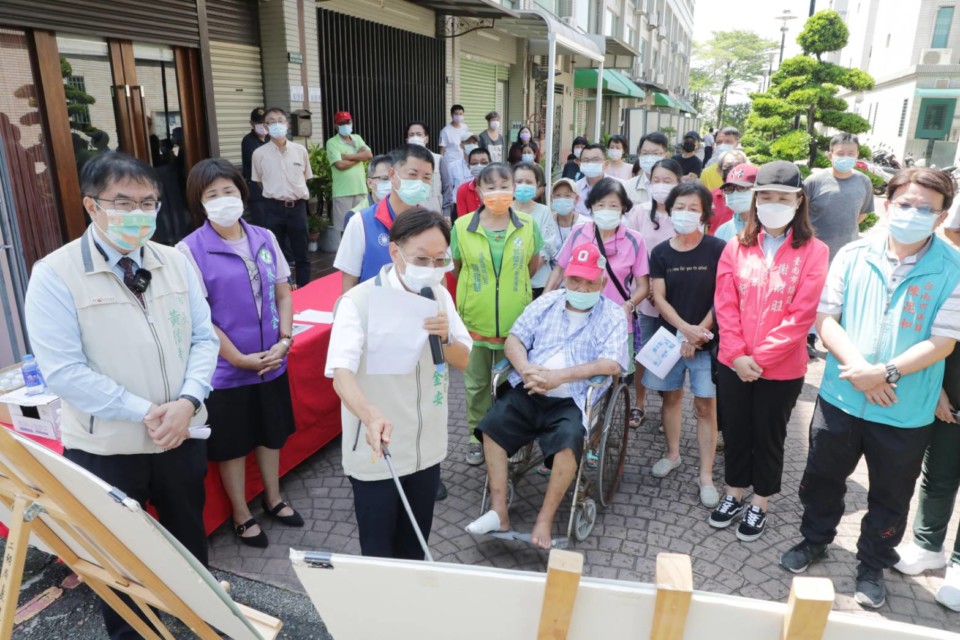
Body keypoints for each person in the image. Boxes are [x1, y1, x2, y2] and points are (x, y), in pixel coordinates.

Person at [24, 153, 219, 639]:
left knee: (188, 551)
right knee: (120, 565)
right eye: (123, 202)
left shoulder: (173, 261)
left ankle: (199, 623)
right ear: (92, 206)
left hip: (181, 437)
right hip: (105, 450)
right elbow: (64, 371)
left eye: (148, 202)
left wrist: (188, 402)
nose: (139, 213)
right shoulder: (55, 274)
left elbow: (203, 338)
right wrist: (149, 412)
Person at [779, 168, 960, 610]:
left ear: (941, 218)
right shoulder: (854, 254)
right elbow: (826, 318)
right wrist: (861, 369)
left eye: (925, 208)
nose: (912, 213)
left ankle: (872, 565)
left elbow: (943, 340)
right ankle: (815, 540)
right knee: (822, 477)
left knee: (891, 494)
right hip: (843, 395)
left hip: (904, 407)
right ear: (885, 203)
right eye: (904, 204)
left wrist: (886, 374)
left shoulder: (953, 268)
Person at [327, 208, 472, 559]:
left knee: (414, 549)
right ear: (396, 252)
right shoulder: (357, 302)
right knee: (378, 553)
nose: (433, 267)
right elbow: (340, 374)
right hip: (380, 450)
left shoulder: (438, 295)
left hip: (427, 448)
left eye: (440, 259)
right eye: (422, 258)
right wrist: (369, 414)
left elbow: (463, 359)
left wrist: (447, 337)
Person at [465, 243, 628, 549]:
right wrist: (526, 370)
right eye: (575, 280)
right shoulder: (547, 302)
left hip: (573, 398)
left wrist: (558, 378)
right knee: (492, 427)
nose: (581, 287)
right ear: (566, 278)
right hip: (530, 387)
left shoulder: (613, 315)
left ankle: (545, 520)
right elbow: (515, 339)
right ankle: (499, 510)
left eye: (590, 282)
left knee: (568, 441)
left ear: (603, 283)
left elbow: (612, 363)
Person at [178, 158, 302, 548]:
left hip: (272, 362)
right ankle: (240, 513)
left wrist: (284, 340)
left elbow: (284, 291)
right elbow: (202, 319)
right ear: (200, 203)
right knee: (231, 446)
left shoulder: (264, 236)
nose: (223, 199)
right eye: (212, 194)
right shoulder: (189, 250)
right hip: (227, 371)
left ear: (242, 193)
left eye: (228, 190)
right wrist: (236, 358)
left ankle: (273, 497)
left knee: (271, 436)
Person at [710, 160, 829, 542]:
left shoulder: (815, 251)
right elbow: (725, 305)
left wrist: (759, 359)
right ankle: (734, 493)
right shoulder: (735, 246)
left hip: (781, 368)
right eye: (766, 197)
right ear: (755, 201)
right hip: (734, 361)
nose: (773, 204)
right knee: (737, 430)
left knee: (769, 435)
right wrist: (738, 354)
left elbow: (802, 314)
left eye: (783, 197)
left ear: (798, 202)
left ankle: (760, 502)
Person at [452, 163, 543, 466]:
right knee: (476, 384)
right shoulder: (462, 226)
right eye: (490, 186)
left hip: (515, 321)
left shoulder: (528, 224)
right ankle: (475, 437)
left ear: (514, 189)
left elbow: (533, 263)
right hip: (475, 321)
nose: (498, 192)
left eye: (505, 185)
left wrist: (512, 291)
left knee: (511, 385)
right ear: (477, 190)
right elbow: (457, 267)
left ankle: (510, 438)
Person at [643, 182, 726, 508]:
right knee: (671, 398)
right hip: (671, 339)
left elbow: (723, 298)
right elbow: (658, 297)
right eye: (681, 207)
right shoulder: (660, 252)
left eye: (694, 208)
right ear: (669, 209)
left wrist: (698, 333)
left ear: (705, 213)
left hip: (706, 341)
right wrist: (684, 331)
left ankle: (705, 475)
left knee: (706, 406)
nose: (686, 213)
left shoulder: (718, 248)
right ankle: (673, 454)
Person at [546, 179, 649, 424]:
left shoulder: (635, 240)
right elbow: (559, 270)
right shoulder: (579, 233)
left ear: (624, 208)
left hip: (614, 320)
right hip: (575, 315)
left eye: (613, 205)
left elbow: (644, 286)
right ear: (591, 206)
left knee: (608, 380)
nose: (607, 210)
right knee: (574, 371)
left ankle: (598, 431)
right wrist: (545, 299)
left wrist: (628, 306)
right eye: (601, 204)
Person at [892, 344, 960, 611]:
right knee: (937, 477)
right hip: (949, 404)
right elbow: (937, 339)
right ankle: (927, 545)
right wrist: (938, 391)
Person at [625, 158, 682, 427]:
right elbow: (632, 253)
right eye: (656, 180)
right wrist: (646, 287)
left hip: (677, 301)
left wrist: (663, 289)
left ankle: (668, 409)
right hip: (644, 297)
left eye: (667, 180)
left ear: (679, 183)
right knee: (643, 353)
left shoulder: (684, 213)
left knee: (671, 354)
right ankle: (639, 403)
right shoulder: (638, 212)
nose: (661, 186)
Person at [335, 144, 436, 293]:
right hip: (373, 312)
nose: (419, 182)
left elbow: (439, 280)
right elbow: (348, 285)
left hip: (418, 312)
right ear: (392, 174)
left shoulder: (432, 225)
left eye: (426, 177)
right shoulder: (360, 222)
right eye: (413, 174)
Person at [252, 108, 314, 287]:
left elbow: (306, 177)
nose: (277, 124)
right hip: (273, 208)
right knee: (276, 254)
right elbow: (259, 182)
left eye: (280, 120)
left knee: (302, 254)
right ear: (265, 126)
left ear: (287, 124)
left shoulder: (300, 150)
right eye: (271, 121)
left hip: (298, 208)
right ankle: (284, 289)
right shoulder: (259, 154)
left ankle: (305, 289)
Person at [805, 133, 874, 263]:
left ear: (857, 155)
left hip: (848, 252)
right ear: (830, 155)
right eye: (840, 154)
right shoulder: (814, 181)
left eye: (851, 154)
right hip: (814, 251)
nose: (846, 157)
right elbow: (800, 214)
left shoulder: (864, 181)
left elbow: (862, 214)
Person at [513, 161, 560, 299]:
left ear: (537, 185)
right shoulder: (504, 210)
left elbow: (547, 247)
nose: (523, 185)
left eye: (529, 182)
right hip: (508, 282)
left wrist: (525, 273)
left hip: (537, 283)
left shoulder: (544, 211)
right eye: (519, 181)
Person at [326, 110, 374, 235]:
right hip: (343, 192)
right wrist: (359, 157)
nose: (345, 125)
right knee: (345, 228)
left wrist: (347, 156)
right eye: (341, 123)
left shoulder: (357, 138)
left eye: (348, 122)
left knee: (363, 225)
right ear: (336, 126)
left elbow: (369, 154)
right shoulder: (332, 142)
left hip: (361, 189)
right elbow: (340, 165)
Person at [406, 120, 452, 217]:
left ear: (426, 139)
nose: (415, 137)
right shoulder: (402, 162)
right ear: (407, 140)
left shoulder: (439, 159)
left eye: (419, 134)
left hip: (435, 214)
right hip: (410, 216)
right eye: (411, 135)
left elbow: (447, 189)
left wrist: (446, 215)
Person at [573, 143, 627, 217]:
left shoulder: (621, 186)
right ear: (580, 164)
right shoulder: (574, 189)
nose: (590, 163)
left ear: (606, 164)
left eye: (596, 160)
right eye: (586, 160)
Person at [343, 153, 393, 229]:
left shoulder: (406, 211)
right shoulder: (355, 216)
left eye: (394, 178)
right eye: (385, 179)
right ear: (370, 183)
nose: (391, 183)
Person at [706, 150, 750, 236]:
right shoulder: (709, 197)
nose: (734, 170)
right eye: (728, 166)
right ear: (719, 171)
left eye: (738, 165)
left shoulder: (753, 195)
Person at [713, 163, 758, 242]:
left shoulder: (770, 230)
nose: (735, 193)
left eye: (742, 187)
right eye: (729, 188)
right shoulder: (722, 231)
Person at [626, 132, 671, 209]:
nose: (649, 158)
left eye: (655, 153)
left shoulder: (675, 187)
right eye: (645, 153)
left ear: (665, 156)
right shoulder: (628, 186)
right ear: (639, 155)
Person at [241, 107, 270, 226]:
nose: (262, 125)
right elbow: (260, 163)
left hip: (273, 191)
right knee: (262, 226)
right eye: (259, 123)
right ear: (252, 123)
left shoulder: (271, 138)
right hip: (257, 193)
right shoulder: (248, 141)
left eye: (265, 122)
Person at [439, 104, 471, 189]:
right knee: (451, 185)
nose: (459, 116)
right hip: (451, 162)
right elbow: (442, 150)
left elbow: (467, 144)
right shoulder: (445, 131)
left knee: (463, 184)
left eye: (461, 114)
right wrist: (442, 165)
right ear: (452, 115)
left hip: (462, 161)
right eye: (456, 114)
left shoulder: (465, 127)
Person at [551, 178, 590, 249]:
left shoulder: (586, 224)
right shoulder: (547, 222)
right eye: (558, 195)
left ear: (577, 198)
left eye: (567, 196)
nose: (562, 199)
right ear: (552, 198)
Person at [455, 147, 491, 221]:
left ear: (490, 164)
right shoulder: (463, 190)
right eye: (474, 163)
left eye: (484, 163)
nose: (479, 166)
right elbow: (462, 220)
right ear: (468, 166)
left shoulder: (498, 188)